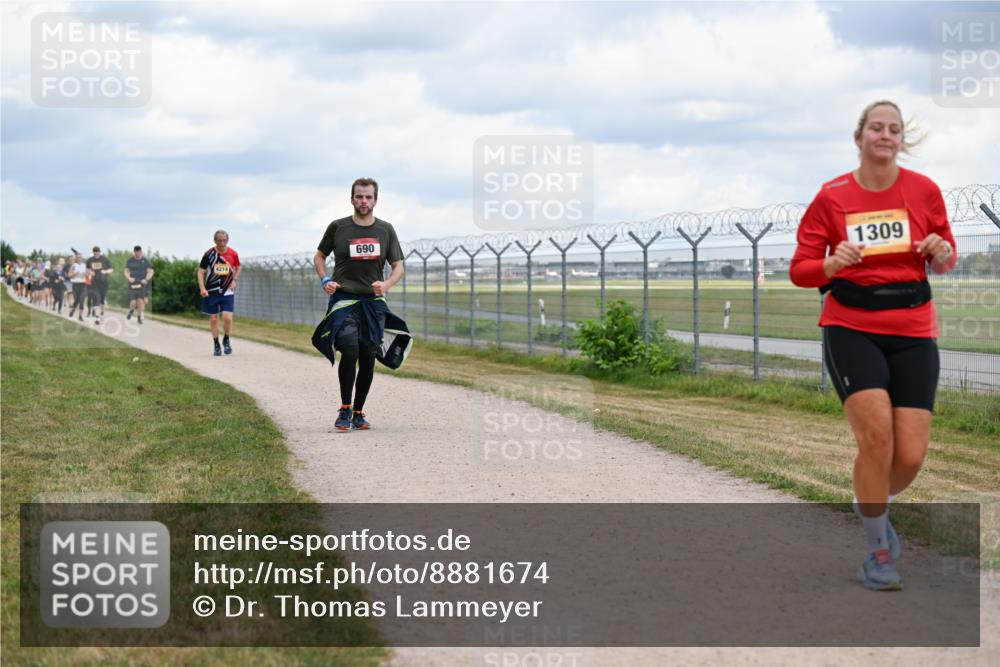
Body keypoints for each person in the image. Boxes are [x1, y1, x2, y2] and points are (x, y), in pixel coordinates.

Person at [790, 100, 957, 591]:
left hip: (914, 329)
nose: (886, 135)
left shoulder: (924, 191)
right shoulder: (832, 196)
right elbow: (800, 270)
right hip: (851, 326)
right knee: (877, 441)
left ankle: (872, 504)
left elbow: (945, 258)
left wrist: (942, 252)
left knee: (910, 456)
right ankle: (877, 553)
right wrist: (831, 264)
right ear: (859, 136)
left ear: (901, 139)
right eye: (876, 127)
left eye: (894, 129)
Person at [313, 177, 405, 431]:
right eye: (359, 196)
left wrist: (386, 284)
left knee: (367, 355)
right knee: (350, 349)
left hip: (373, 302)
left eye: (368, 197)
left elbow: (398, 266)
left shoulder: (385, 230)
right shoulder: (338, 227)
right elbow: (319, 256)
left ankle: (359, 412)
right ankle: (345, 407)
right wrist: (325, 279)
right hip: (344, 299)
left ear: (375, 200)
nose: (363, 201)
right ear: (351, 199)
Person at [197, 230, 241, 356]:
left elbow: (238, 267)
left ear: (227, 240)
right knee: (214, 319)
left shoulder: (233, 253)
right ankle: (216, 344)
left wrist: (234, 280)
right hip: (212, 291)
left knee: (228, 318)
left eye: (224, 240)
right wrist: (202, 288)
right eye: (219, 240)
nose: (222, 243)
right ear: (215, 241)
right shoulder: (209, 254)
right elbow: (201, 271)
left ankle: (226, 339)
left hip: (227, 291)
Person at [124, 245, 154, 324]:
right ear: (134, 252)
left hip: (142, 283)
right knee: (133, 302)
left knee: (140, 301)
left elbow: (150, 271)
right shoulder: (130, 260)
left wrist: (146, 279)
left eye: (139, 252)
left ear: (141, 252)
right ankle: (131, 310)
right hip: (133, 283)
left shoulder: (145, 261)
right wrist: (129, 278)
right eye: (136, 252)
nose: (138, 253)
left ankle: (139, 317)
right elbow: (126, 271)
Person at [85, 245, 114, 324]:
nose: (96, 254)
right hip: (94, 282)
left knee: (102, 301)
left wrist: (105, 271)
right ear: (93, 253)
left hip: (103, 282)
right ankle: (97, 318)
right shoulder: (89, 260)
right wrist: (90, 272)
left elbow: (111, 269)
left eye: (97, 253)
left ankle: (102, 313)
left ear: (100, 252)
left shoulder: (105, 259)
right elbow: (87, 270)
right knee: (95, 299)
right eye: (95, 253)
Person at [67, 253, 87, 321]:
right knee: (76, 300)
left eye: (80, 257)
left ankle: (80, 316)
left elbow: (88, 273)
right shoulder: (74, 265)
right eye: (78, 257)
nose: (79, 259)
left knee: (82, 301)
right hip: (75, 285)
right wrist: (74, 274)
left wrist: (88, 274)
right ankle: (73, 309)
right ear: (76, 258)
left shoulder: (85, 265)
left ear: (82, 258)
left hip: (83, 285)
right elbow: (69, 275)